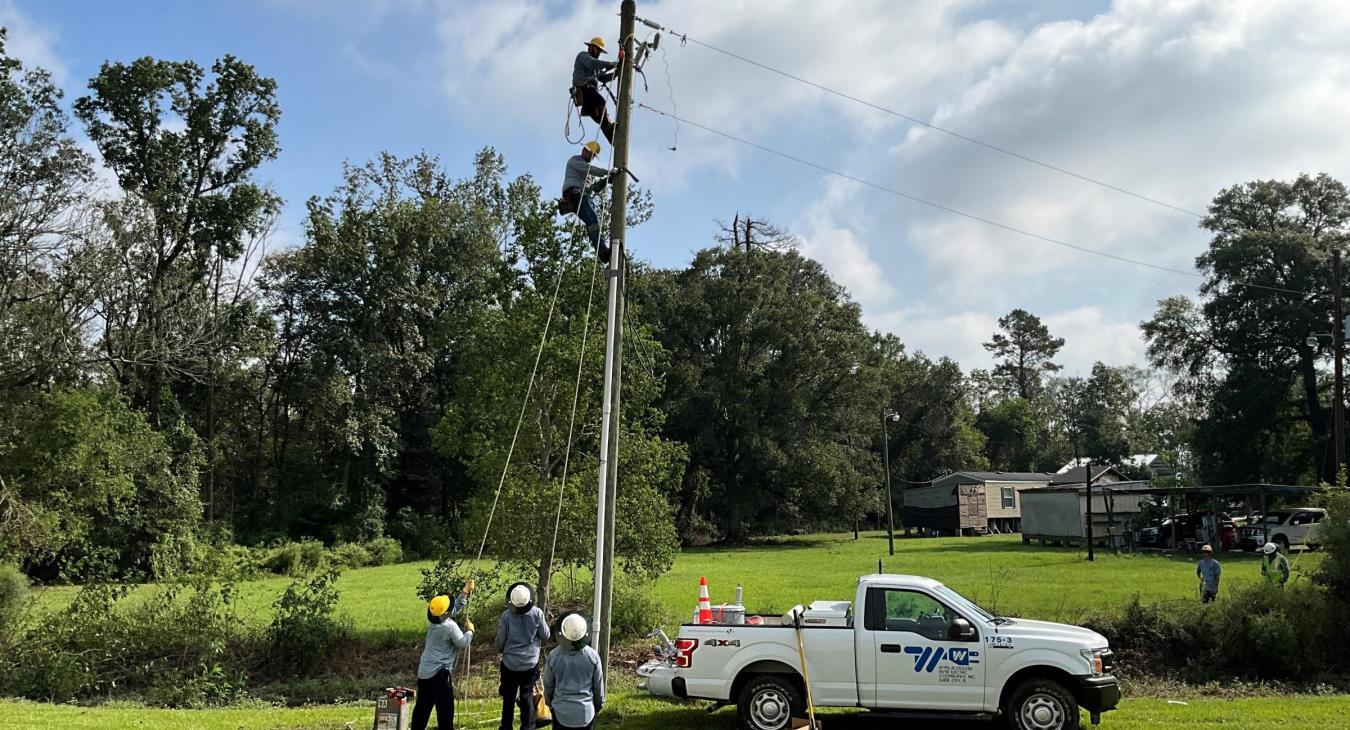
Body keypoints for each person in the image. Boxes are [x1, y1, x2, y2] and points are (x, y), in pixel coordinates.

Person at [412, 583, 476, 730]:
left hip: (424, 672)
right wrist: (470, 631)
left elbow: (450, 612)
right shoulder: (450, 626)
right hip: (439, 675)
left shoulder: (434, 621)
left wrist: (464, 594)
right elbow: (462, 643)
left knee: (422, 709)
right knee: (445, 711)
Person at [496, 582, 551, 730]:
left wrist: (499, 649)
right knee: (527, 695)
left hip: (510, 663)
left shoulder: (506, 616)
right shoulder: (537, 613)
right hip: (529, 662)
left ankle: (506, 726)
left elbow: (500, 639)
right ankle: (528, 726)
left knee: (509, 697)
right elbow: (545, 635)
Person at [544, 613, 605, 730]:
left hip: (560, 712)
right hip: (585, 713)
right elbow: (598, 686)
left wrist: (550, 704)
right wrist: (598, 705)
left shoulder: (554, 656)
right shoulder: (592, 656)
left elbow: (548, 685)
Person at [561, 141, 614, 263]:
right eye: (592, 154)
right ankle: (602, 251)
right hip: (573, 194)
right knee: (592, 218)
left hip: (582, 196)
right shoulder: (575, 161)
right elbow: (589, 169)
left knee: (592, 221)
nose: (592, 158)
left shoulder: (587, 175)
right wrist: (607, 172)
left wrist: (607, 180)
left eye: (594, 156)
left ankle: (602, 251)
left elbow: (591, 189)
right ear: (585, 150)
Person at [572, 36, 617, 143]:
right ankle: (610, 128)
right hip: (583, 89)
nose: (599, 53)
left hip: (590, 93)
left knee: (599, 117)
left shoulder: (595, 65)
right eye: (598, 50)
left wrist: (616, 73)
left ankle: (613, 139)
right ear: (592, 47)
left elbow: (602, 78)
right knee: (601, 103)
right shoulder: (583, 56)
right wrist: (609, 64)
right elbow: (592, 64)